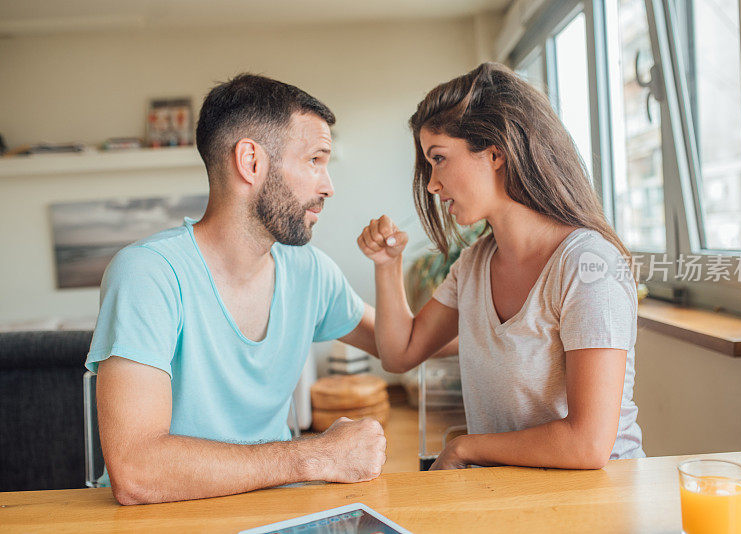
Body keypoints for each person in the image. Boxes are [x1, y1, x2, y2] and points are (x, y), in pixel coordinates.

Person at [86, 74, 387, 505]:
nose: (327, 186)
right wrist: (317, 456)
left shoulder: (310, 272)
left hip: (274, 508)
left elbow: (400, 346)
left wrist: (494, 312)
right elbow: (137, 473)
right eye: (315, 161)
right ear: (251, 162)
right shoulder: (147, 273)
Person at [358, 62, 645, 471]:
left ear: (495, 152)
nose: (431, 184)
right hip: (510, 496)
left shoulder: (589, 266)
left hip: (597, 504)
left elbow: (588, 445)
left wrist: (464, 448)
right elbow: (401, 353)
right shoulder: (475, 263)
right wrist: (387, 265)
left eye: (439, 159)